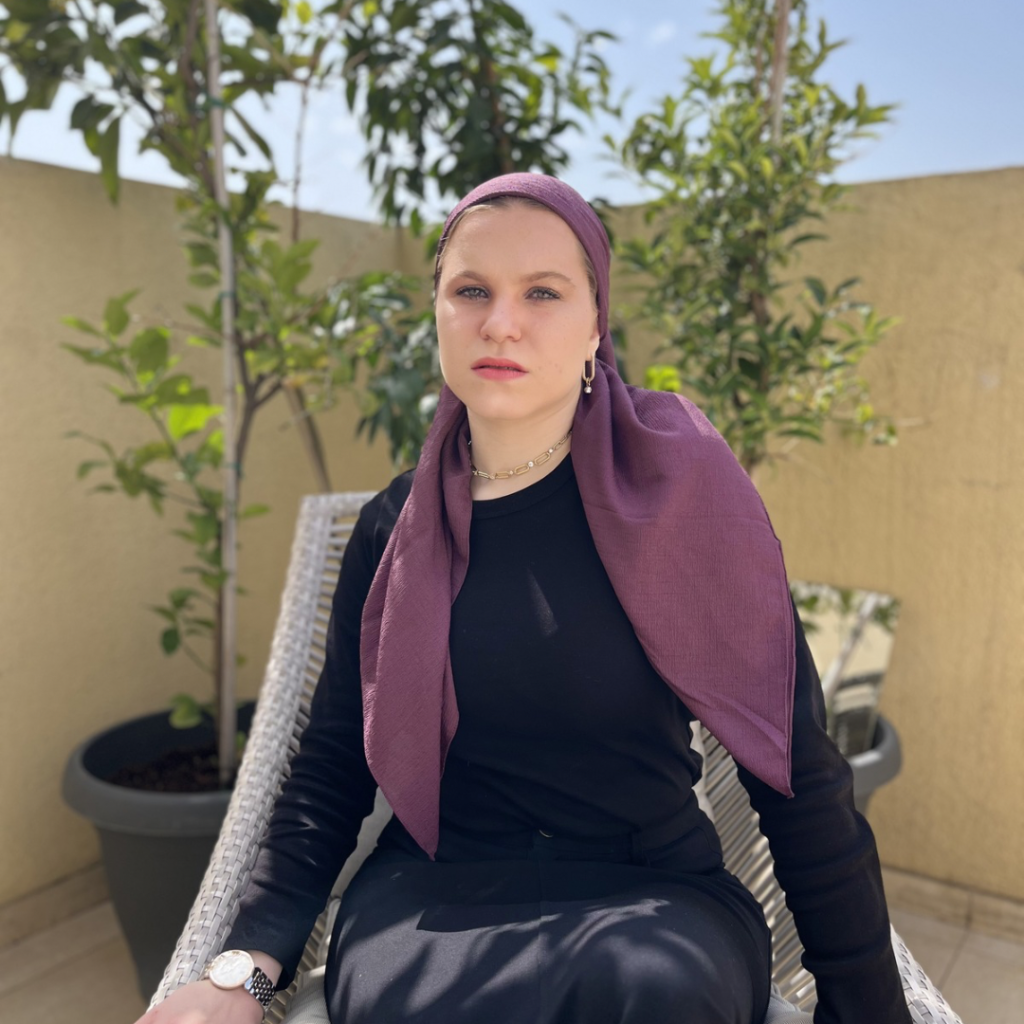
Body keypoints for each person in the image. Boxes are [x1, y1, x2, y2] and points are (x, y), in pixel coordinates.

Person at [136, 175, 912, 1024]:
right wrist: (242, 974)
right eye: (471, 290)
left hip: (654, 895)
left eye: (543, 292)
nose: (501, 322)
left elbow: (795, 770)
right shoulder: (394, 530)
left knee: (655, 996)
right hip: (433, 894)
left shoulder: (683, 504)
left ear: (596, 325)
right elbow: (331, 768)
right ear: (437, 312)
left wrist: (869, 1009)